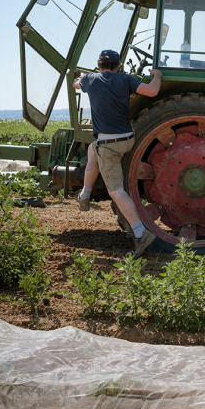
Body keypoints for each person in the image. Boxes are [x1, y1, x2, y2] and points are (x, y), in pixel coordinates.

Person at [73, 50, 163, 258]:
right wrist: (157, 75)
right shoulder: (126, 79)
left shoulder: (90, 80)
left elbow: (76, 84)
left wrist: (81, 78)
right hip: (127, 140)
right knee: (92, 150)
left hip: (109, 145)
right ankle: (85, 194)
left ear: (98, 65)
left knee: (116, 191)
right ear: (118, 66)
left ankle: (140, 233)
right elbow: (152, 91)